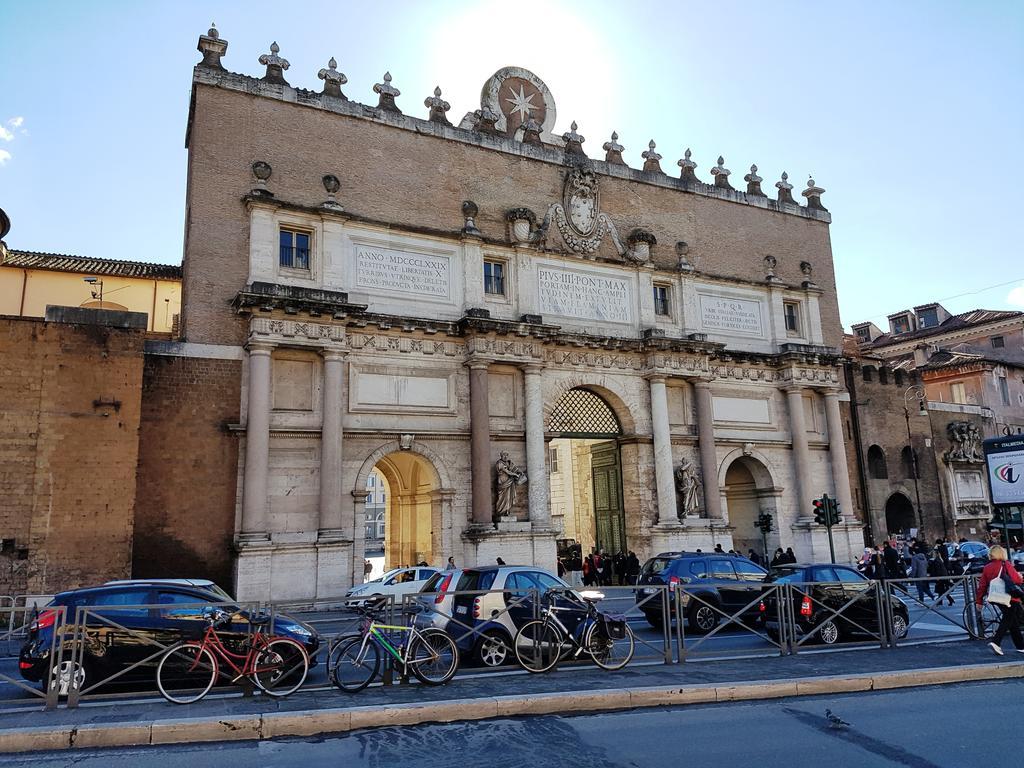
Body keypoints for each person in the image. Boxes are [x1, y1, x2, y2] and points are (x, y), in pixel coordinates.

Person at [975, 545, 1024, 655]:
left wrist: (979, 601)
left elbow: (982, 585)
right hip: (1010, 597)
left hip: (996, 597)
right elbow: (1016, 579)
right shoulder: (1005, 564)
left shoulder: (987, 567)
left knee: (1013, 621)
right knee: (1008, 619)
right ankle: (996, 642)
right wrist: (1020, 577)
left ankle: (1021, 646)